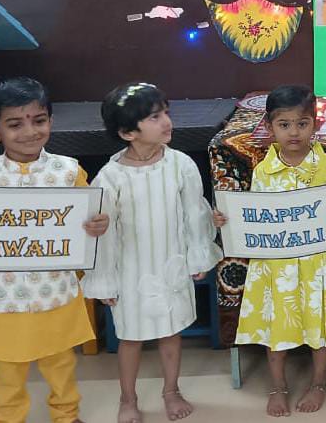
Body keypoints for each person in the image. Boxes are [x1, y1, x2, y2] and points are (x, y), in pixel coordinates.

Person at [0, 77, 109, 423]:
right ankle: (8, 418)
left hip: (55, 290)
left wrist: (98, 223)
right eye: (15, 124)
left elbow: (90, 218)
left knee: (61, 364)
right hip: (2, 295)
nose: (29, 132)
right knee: (6, 371)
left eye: (38, 120)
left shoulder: (68, 170)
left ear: (50, 122)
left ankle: (66, 415)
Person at [82, 83, 223, 423]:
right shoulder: (110, 177)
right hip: (130, 271)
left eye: (166, 113)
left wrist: (197, 255)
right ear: (127, 132)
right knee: (130, 338)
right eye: (155, 117)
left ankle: (171, 391)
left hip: (170, 265)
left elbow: (194, 212)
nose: (166, 122)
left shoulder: (181, 164)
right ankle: (127, 398)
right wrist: (105, 280)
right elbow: (103, 234)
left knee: (170, 332)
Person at [218, 85, 326, 416]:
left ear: (315, 124)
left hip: (318, 264)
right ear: (270, 127)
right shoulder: (263, 171)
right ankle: (278, 386)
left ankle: (319, 382)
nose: (294, 132)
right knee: (276, 326)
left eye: (302, 124)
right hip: (277, 268)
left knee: (320, 324)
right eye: (284, 125)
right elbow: (253, 216)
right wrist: (227, 218)